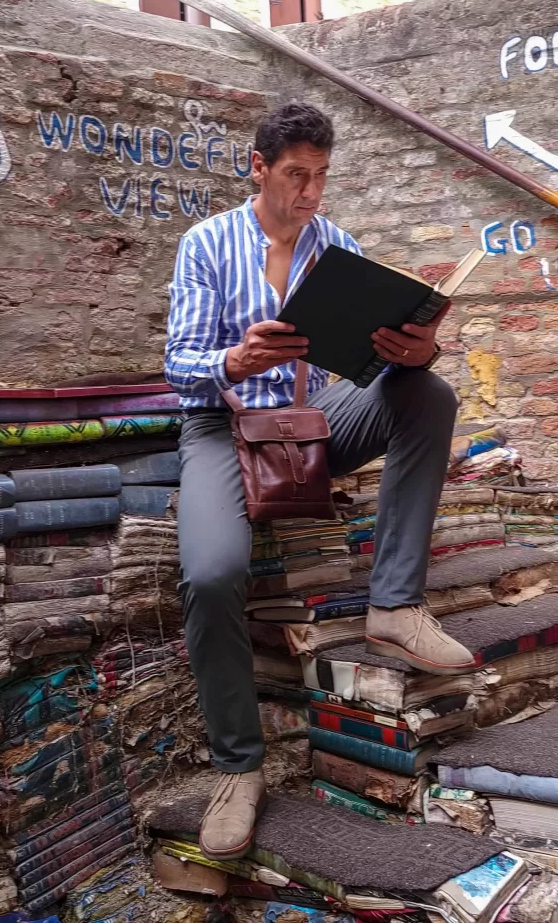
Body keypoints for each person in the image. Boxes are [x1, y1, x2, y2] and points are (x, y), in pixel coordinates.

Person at [164, 101, 474, 862]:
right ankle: (239, 768)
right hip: (223, 426)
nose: (310, 192)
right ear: (259, 167)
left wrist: (414, 349)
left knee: (428, 392)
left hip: (311, 420)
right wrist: (237, 361)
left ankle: (394, 605)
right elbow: (180, 368)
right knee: (211, 574)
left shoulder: (337, 245)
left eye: (321, 177)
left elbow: (364, 369)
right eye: (296, 175)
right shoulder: (207, 244)